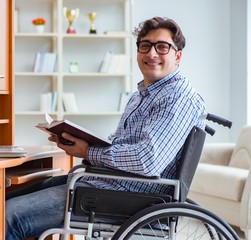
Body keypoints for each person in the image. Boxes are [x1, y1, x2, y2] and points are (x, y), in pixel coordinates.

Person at [6, 16, 205, 239]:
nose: (151, 53)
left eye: (162, 47)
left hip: (127, 195)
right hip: (105, 184)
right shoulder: (142, 95)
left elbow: (147, 161)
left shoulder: (178, 97)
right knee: (5, 198)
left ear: (177, 56)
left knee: (8, 217)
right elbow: (121, 142)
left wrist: (89, 152)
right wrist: (81, 141)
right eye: (145, 46)